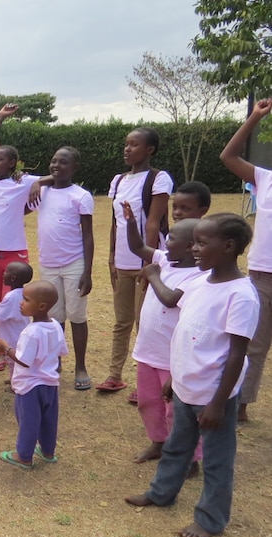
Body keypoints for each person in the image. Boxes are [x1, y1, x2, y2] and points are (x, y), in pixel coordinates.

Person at [125, 213, 259, 537]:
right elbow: (188, 332)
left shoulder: (240, 295)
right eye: (194, 242)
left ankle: (211, 520)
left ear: (228, 247)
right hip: (185, 386)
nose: (194, 249)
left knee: (216, 461)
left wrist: (217, 404)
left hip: (213, 396)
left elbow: (236, 353)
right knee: (176, 447)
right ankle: (161, 493)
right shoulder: (200, 282)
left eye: (201, 243)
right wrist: (175, 375)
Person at [122, 207, 205, 473]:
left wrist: (153, 275)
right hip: (149, 351)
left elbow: (170, 299)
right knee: (149, 402)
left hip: (173, 357)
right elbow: (137, 247)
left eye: (170, 239)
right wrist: (131, 222)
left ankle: (189, 457)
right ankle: (158, 442)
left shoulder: (199, 277)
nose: (164, 242)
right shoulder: (166, 259)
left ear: (190, 246)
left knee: (176, 411)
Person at [101, 127, 173, 392]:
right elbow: (115, 223)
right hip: (122, 262)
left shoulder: (158, 179)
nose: (127, 149)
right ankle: (115, 375)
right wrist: (111, 259)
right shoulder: (118, 181)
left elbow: (153, 223)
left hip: (148, 263)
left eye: (134, 144)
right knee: (122, 322)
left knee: (148, 323)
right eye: (126, 144)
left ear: (149, 149)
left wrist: (149, 266)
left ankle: (151, 384)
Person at [219, 98, 272, 423]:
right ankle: (240, 404)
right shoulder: (266, 179)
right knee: (253, 344)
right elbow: (228, 156)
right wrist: (254, 118)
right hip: (262, 276)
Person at [0, 104, 38, 370]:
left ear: (12, 162)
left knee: (16, 306)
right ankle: (4, 352)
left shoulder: (21, 182)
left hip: (15, 256)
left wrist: (36, 182)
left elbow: (53, 178)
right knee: (0, 306)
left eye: (0, 159)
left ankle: (22, 350)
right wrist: (0, 117)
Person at [29, 147, 95, 390]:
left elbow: (88, 236)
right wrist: (37, 182)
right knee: (54, 317)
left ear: (75, 167)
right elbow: (22, 201)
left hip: (74, 264)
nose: (57, 166)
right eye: (54, 161)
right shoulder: (42, 191)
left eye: (64, 162)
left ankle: (80, 366)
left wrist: (87, 272)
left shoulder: (81, 196)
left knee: (77, 316)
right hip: (48, 263)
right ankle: (54, 362)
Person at [0, 280, 67, 469]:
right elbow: (60, 352)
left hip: (29, 386)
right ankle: (48, 451)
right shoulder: (56, 326)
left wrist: (5, 348)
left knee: (28, 421)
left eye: (26, 299)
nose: (21, 302)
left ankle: (24, 456)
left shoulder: (31, 332)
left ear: (41, 306)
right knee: (49, 419)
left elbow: (23, 360)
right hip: (50, 384)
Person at [0, 261, 33, 382]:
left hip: (12, 335)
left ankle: (15, 383)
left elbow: (0, 314)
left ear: (12, 278)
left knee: (13, 361)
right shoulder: (24, 293)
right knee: (18, 360)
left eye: (6, 272)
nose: (3, 274)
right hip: (21, 331)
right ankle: (16, 378)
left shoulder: (10, 296)